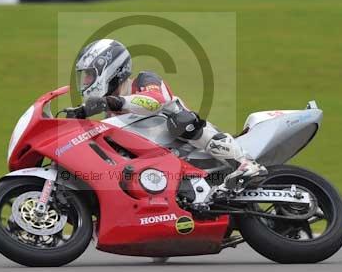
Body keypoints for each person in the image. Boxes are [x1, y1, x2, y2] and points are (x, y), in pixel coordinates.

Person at [66, 38, 266, 190]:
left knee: (181, 120)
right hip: (166, 168)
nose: (85, 82)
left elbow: (154, 102)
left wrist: (111, 101)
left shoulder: (144, 80)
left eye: (90, 75)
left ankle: (244, 164)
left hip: (193, 146)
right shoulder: (111, 116)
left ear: (109, 69)